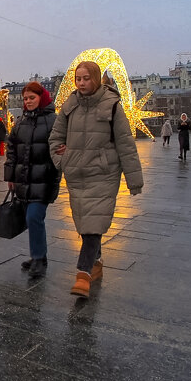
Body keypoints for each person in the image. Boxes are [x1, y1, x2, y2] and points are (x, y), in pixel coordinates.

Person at [49, 61, 143, 298]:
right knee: (85, 223)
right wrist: (63, 160)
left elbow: (126, 144)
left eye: (86, 78)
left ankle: (83, 274)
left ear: (96, 78)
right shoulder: (69, 105)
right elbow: (55, 139)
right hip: (76, 175)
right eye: (78, 79)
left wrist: (134, 180)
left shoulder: (112, 106)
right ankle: (97, 261)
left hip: (103, 174)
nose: (81, 83)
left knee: (92, 225)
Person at [4, 82, 60, 278]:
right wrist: (10, 176)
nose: (28, 102)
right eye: (25, 99)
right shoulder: (20, 122)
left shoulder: (54, 120)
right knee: (32, 218)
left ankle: (38, 259)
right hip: (23, 179)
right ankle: (39, 256)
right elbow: (11, 149)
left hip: (43, 179)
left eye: (32, 98)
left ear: (41, 97)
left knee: (34, 217)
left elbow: (60, 147)